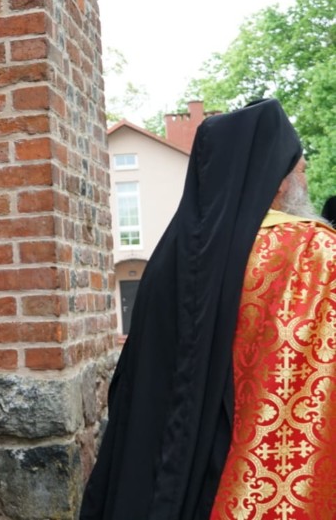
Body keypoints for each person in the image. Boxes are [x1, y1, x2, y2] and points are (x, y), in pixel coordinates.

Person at [80, 99, 336, 519]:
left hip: (172, 482)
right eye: (301, 171)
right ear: (278, 180)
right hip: (259, 483)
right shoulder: (314, 252)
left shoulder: (171, 258)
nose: (304, 184)